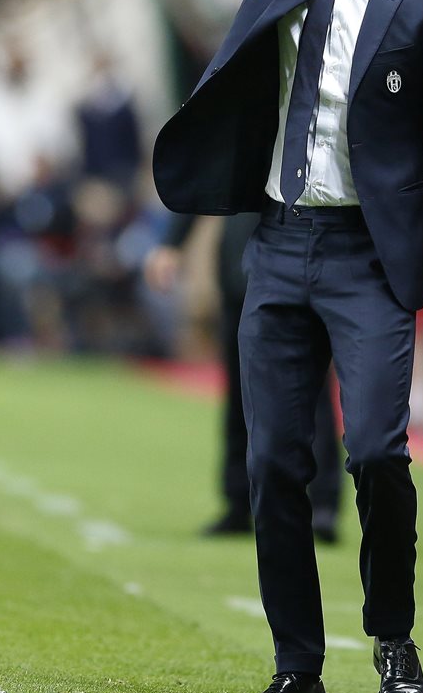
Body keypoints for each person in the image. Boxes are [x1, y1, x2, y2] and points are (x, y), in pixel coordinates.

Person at [46, 0, 423, 693]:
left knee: (374, 452)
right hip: (279, 244)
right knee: (271, 463)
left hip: (371, 260)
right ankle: (298, 666)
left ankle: (392, 638)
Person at [144, 214, 343, 541]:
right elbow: (209, 169)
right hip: (244, 268)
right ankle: (240, 500)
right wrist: (171, 242)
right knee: (240, 389)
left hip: (302, 263)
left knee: (310, 388)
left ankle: (321, 503)